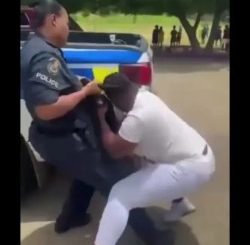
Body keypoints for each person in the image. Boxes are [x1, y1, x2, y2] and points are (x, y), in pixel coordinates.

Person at [21, 1, 173, 244]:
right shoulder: (42, 56)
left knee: (88, 171)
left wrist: (76, 84)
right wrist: (84, 93)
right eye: (67, 23)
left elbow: (54, 90)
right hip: (62, 136)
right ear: (53, 21)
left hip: (60, 135)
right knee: (116, 180)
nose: (69, 29)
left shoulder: (38, 46)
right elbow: (46, 109)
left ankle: (71, 217)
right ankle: (155, 238)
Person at [95, 73, 215, 245]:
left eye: (111, 99)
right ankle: (180, 204)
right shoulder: (146, 96)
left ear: (118, 98)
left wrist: (101, 118)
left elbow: (115, 150)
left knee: (120, 194)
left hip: (190, 169)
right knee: (147, 163)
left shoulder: (137, 118)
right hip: (199, 155)